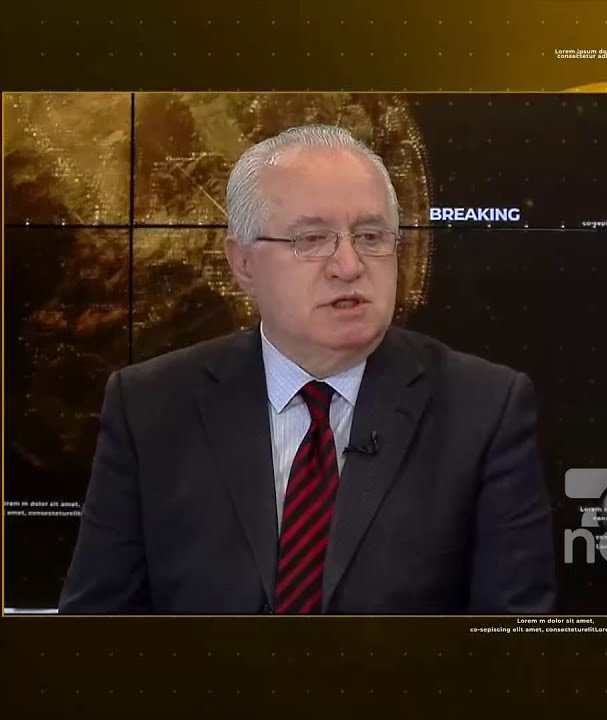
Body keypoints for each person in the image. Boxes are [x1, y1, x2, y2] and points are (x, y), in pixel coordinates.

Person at [59, 124, 557, 614]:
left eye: (371, 236)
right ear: (243, 263)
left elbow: (514, 643)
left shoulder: (484, 410)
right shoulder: (149, 409)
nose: (349, 265)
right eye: (313, 239)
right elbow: (93, 636)